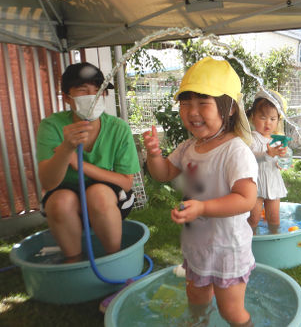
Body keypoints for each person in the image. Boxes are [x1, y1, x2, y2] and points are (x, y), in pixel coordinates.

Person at [142, 57, 257, 327]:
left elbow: (246, 198)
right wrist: (153, 154)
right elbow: (162, 174)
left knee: (231, 312)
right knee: (196, 299)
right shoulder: (189, 146)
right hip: (198, 248)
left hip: (227, 250)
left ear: (228, 108)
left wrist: (203, 207)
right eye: (185, 103)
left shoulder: (235, 151)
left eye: (203, 103)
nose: (192, 111)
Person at [36, 62, 140, 263]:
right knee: (60, 202)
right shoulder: (52, 126)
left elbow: (126, 182)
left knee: (98, 195)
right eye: (83, 91)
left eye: (98, 91)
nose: (92, 97)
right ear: (67, 97)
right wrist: (66, 148)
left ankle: (115, 260)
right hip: (64, 195)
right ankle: (74, 262)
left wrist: (79, 163)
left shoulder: (118, 129)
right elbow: (47, 183)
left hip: (109, 198)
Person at [246, 89, 288, 234]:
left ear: (278, 120)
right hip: (255, 185)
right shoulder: (251, 139)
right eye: (263, 118)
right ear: (253, 118)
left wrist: (283, 160)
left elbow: (280, 162)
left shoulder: (276, 141)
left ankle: (275, 239)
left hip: (273, 183)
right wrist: (266, 154)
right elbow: (250, 157)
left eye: (272, 119)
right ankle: (249, 241)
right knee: (254, 218)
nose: (268, 123)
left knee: (274, 219)